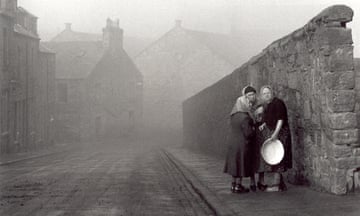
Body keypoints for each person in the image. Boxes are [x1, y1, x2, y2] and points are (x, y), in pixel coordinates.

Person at [224, 85, 257, 193]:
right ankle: (239, 186)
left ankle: (233, 185)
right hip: (242, 144)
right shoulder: (245, 117)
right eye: (247, 102)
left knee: (235, 165)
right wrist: (254, 129)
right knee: (241, 165)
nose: (249, 104)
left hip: (232, 144)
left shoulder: (233, 116)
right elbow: (248, 133)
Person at [259, 85, 292, 192]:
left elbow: (280, 119)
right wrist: (264, 124)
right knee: (274, 157)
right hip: (273, 132)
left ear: (272, 93)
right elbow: (269, 118)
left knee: (278, 157)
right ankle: (280, 185)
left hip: (281, 133)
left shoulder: (278, 103)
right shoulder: (268, 105)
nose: (266, 95)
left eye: (268, 92)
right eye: (264, 94)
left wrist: (276, 133)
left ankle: (276, 185)